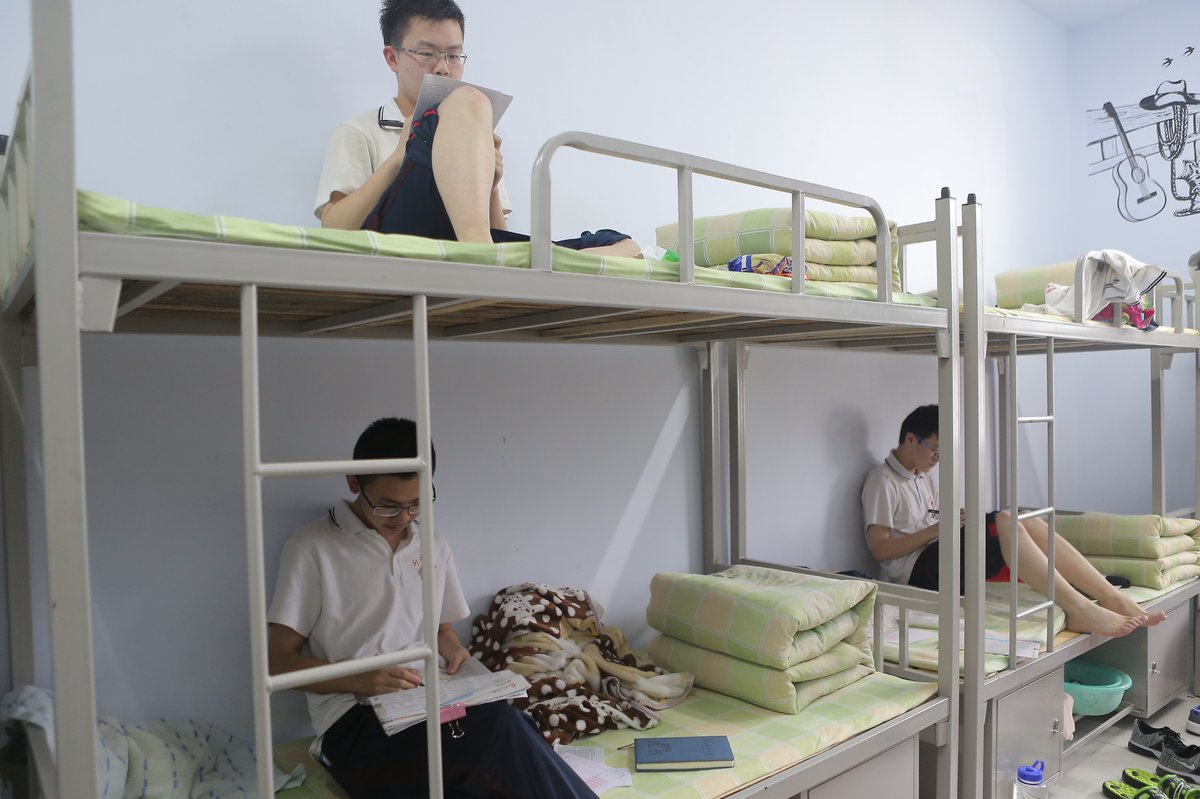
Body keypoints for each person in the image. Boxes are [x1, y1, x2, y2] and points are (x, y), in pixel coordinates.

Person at [267, 417, 598, 798]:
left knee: (509, 730)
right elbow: (279, 664)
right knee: (499, 731)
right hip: (354, 724)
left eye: (417, 504)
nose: (405, 518)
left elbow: (440, 631)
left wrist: (458, 655)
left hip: (431, 704)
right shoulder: (312, 547)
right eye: (389, 507)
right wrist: (363, 679)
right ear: (354, 483)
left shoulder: (433, 546)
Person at [314, 0, 639, 256]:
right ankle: (482, 256)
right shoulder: (362, 130)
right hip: (405, 235)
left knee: (623, 244)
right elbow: (334, 228)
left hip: (469, 239)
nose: (443, 67)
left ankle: (503, 256)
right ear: (392, 57)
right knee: (468, 99)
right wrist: (399, 155)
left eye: (454, 56)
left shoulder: (468, 125)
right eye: (427, 53)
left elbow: (498, 230)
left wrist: (494, 187)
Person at [861, 404, 1166, 637]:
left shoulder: (921, 476)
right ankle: (1079, 608)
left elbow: (931, 524)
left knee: (1020, 518)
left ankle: (1108, 596)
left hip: (939, 553)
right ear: (911, 439)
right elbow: (880, 550)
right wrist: (940, 528)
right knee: (1005, 519)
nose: (937, 460)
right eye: (936, 452)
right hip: (916, 574)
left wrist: (952, 523)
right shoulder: (882, 482)